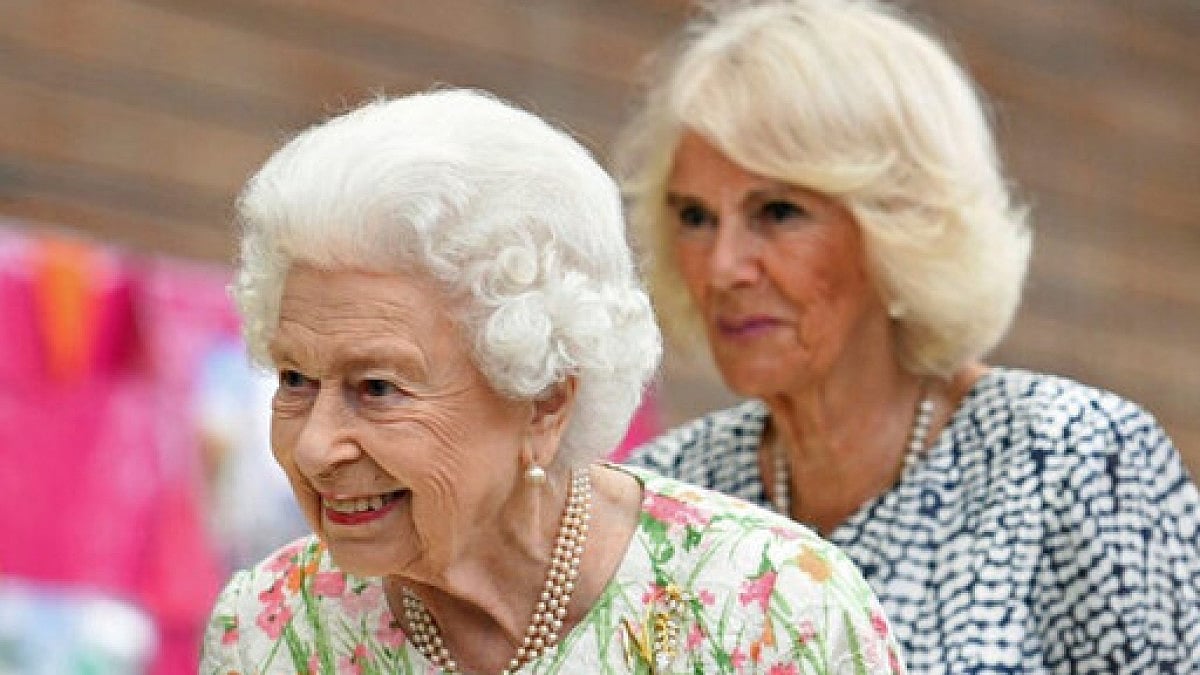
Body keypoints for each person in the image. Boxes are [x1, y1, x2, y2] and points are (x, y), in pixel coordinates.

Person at [200, 88, 906, 674]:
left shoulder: (769, 613)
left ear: (544, 400)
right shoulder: (268, 634)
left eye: (377, 388)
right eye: (295, 378)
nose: (317, 446)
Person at [616, 1, 1200, 672]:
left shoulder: (1078, 459)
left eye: (778, 211)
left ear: (901, 224)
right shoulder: (661, 498)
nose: (723, 266)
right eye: (695, 216)